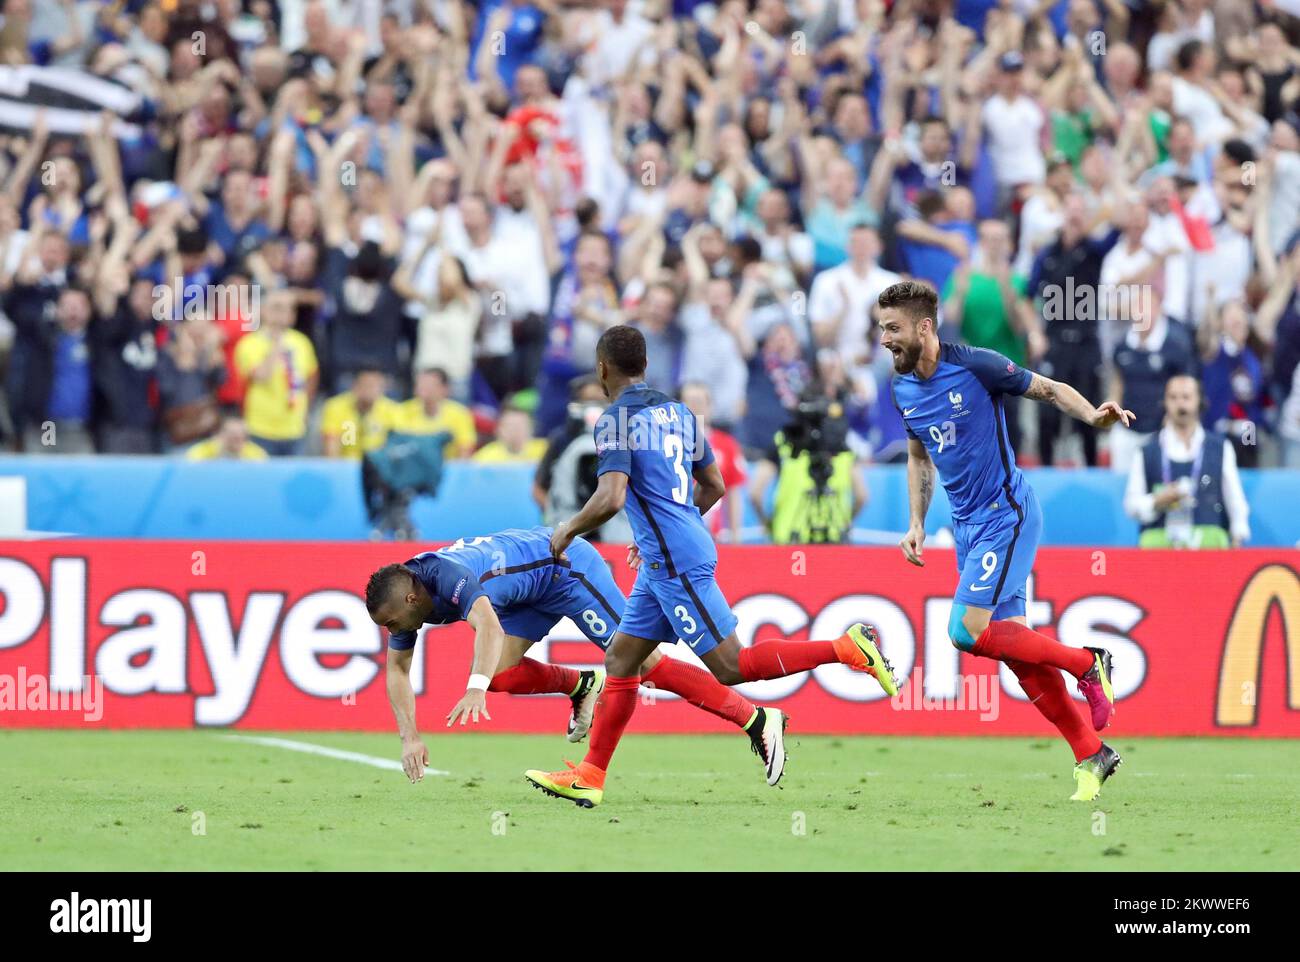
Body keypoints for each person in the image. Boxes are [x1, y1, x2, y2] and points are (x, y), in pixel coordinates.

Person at [525, 325, 897, 808]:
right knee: (620, 659)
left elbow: (611, 496)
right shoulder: (680, 413)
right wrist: (666, 528)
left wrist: (567, 530)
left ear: (602, 369)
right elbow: (714, 485)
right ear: (645, 366)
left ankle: (847, 647)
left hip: (676, 560)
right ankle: (590, 777)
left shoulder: (615, 421)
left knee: (731, 667)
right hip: (667, 556)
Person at [880, 280, 1128, 803]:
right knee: (1017, 654)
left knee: (965, 631)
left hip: (1007, 514)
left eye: (893, 328)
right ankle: (1092, 752)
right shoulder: (901, 387)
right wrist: (917, 523)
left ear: (925, 327)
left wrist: (1092, 417)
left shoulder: (977, 366)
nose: (884, 339)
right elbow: (920, 455)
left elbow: (1048, 387)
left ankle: (1088, 663)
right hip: (967, 528)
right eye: (882, 329)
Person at [365, 526, 784, 786]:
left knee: (643, 665)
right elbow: (397, 671)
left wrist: (473, 690)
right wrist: (410, 737)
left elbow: (488, 627)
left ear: (410, 597)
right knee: (500, 674)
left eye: (391, 622)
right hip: (527, 591)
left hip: (565, 569)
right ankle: (581, 686)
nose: (392, 631)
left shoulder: (444, 577)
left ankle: (755, 719)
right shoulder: (409, 603)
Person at [1123, 374, 1250, 548]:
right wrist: (1157, 501)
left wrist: (1238, 534)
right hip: (1160, 546)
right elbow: (1131, 505)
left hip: (1208, 544)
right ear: (1165, 402)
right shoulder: (1146, 451)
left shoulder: (1221, 447)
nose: (1180, 404)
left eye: (1186, 397)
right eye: (1173, 397)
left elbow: (1234, 498)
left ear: (1200, 401)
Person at [320, 368, 399, 460]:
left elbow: (396, 446)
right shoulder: (336, 407)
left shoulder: (393, 410)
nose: (370, 391)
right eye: (366, 385)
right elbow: (331, 448)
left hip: (378, 466)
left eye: (375, 386)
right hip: (347, 465)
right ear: (355, 386)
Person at [472, 405, 547, 463]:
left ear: (531, 428)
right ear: (499, 430)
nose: (515, 431)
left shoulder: (545, 451)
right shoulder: (485, 457)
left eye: (520, 426)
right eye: (510, 426)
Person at [186, 417, 268, 461]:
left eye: (241, 436)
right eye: (232, 435)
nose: (237, 439)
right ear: (221, 435)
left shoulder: (252, 452)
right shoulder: (208, 449)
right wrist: (215, 447)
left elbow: (262, 464)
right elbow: (192, 458)